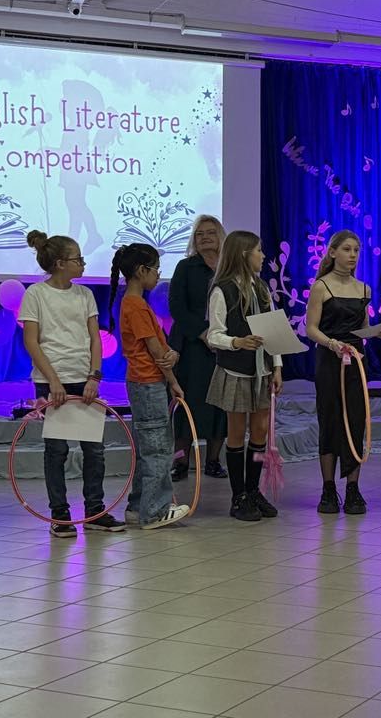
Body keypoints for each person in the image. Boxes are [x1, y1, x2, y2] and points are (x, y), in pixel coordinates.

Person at [19, 231, 125, 537]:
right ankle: (60, 514)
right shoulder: (36, 294)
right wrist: (53, 381)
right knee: (57, 450)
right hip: (51, 382)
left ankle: (95, 511)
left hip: (83, 380)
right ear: (60, 263)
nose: (83, 263)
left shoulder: (85, 295)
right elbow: (31, 341)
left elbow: (95, 338)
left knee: (95, 450)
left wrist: (94, 376)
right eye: (78, 258)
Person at [306, 230, 381, 515]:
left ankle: (353, 489)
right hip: (329, 359)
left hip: (356, 360)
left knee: (355, 420)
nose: (353, 255)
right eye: (347, 249)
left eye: (356, 250)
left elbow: (362, 327)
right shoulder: (321, 287)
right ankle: (328, 489)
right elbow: (310, 328)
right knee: (329, 419)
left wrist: (377, 332)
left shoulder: (364, 289)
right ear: (332, 253)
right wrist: (332, 344)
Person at [109, 244, 191, 530]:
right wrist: (173, 377)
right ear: (141, 271)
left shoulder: (134, 303)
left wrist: (170, 362)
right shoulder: (136, 306)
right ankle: (154, 511)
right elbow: (156, 351)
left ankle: (137, 506)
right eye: (156, 269)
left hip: (144, 381)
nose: (158, 275)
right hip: (148, 382)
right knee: (158, 448)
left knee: (147, 446)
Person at [205, 231, 283, 522]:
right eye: (258, 250)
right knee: (237, 431)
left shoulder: (261, 288)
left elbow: (272, 331)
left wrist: (277, 367)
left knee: (260, 430)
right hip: (236, 370)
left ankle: (253, 490)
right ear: (243, 254)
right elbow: (214, 334)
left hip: (262, 369)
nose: (263, 256)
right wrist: (237, 342)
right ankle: (238, 495)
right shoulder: (222, 289)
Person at [168, 215, 228, 481]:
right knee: (187, 405)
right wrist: (203, 333)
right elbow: (177, 306)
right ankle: (180, 462)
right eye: (199, 234)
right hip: (192, 344)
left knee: (220, 405)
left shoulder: (229, 268)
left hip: (225, 345)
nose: (204, 238)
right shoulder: (186, 267)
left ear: (220, 236)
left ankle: (213, 461)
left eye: (210, 233)